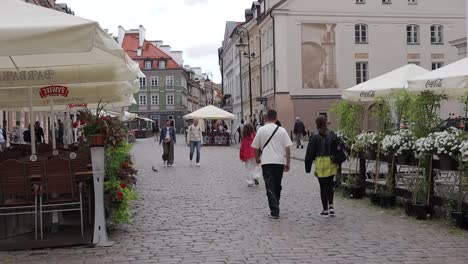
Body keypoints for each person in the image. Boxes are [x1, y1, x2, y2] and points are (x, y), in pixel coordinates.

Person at [252, 110, 293, 219]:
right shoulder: (282, 130)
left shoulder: (261, 130)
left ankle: (274, 210)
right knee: (277, 185)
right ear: (276, 117)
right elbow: (287, 147)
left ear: (266, 118)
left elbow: (255, 146)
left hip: (266, 161)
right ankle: (276, 206)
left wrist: (257, 158)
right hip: (279, 161)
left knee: (269, 185)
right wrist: (288, 162)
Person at [304, 115, 338, 217]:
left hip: (320, 162)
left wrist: (308, 167)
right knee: (330, 185)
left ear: (317, 124)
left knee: (323, 186)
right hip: (331, 162)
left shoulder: (314, 136)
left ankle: (325, 209)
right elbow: (337, 148)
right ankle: (331, 206)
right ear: (326, 122)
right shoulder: (332, 134)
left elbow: (310, 152)